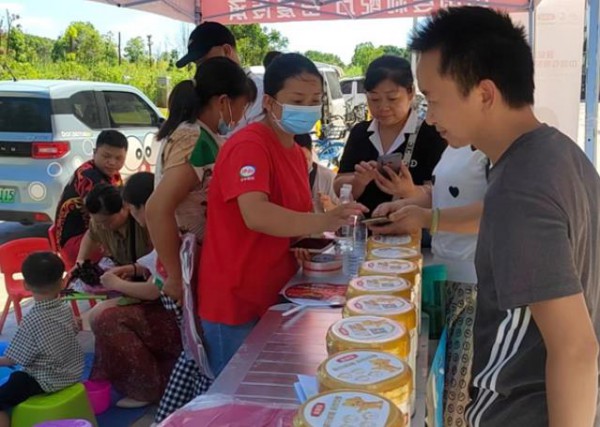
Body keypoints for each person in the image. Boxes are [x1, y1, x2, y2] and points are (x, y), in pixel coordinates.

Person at [410, 6, 600, 427]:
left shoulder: (520, 186)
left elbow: (576, 348)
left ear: (484, 94)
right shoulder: (561, 152)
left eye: (434, 100)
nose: (430, 117)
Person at [198, 53, 366, 377]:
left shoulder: (292, 151)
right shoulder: (250, 145)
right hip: (236, 299)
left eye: (315, 100)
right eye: (297, 99)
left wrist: (305, 241)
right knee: (238, 394)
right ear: (271, 101)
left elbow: (290, 216)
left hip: (274, 291)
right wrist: (325, 221)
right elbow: (256, 214)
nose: (307, 108)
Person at [146, 59, 255, 423]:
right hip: (191, 264)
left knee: (200, 354)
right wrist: (176, 275)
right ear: (224, 101)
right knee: (209, 359)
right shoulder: (196, 139)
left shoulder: (201, 135)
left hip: (199, 261)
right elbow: (158, 207)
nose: (240, 116)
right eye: (240, 106)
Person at [371, 146, 487, 426]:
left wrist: (428, 219)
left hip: (475, 285)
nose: (432, 119)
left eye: (436, 104)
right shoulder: (453, 147)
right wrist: (407, 204)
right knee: (440, 385)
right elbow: (446, 194)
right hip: (445, 276)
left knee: (461, 391)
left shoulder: (492, 151)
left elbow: (498, 211)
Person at [89, 172, 181, 409]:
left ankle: (147, 388)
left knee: (106, 319)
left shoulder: (166, 229)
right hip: (171, 304)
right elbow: (155, 267)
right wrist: (132, 269)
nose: (131, 213)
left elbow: (156, 289)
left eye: (133, 208)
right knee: (101, 314)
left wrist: (117, 284)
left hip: (179, 317)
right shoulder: (169, 224)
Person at [334, 55, 446, 215]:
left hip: (414, 235)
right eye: (374, 99)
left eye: (392, 98)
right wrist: (358, 181)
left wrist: (410, 190)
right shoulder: (360, 132)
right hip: (366, 232)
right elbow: (338, 186)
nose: (383, 107)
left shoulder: (431, 133)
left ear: (411, 93)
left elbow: (444, 195)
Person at [0, 252, 84, 427]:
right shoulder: (65, 308)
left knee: (11, 386)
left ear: (26, 284)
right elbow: (74, 330)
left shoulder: (32, 320)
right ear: (62, 283)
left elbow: (12, 359)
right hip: (72, 372)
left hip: (46, 380)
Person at [55, 130, 127, 266]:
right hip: (76, 242)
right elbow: (107, 213)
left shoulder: (112, 175)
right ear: (94, 152)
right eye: (106, 156)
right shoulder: (88, 176)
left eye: (119, 158)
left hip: (94, 234)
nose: (112, 162)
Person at [176, 21, 264, 131]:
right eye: (197, 65)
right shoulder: (205, 92)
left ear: (226, 51)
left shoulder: (259, 90)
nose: (202, 70)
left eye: (204, 61)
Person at [76, 183, 152, 269]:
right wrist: (80, 260)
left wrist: (127, 271)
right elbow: (91, 234)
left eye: (107, 222)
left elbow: (155, 262)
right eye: (98, 222)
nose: (103, 227)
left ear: (124, 207)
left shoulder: (141, 221)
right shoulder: (99, 223)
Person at [294, 133, 338, 213]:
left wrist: (330, 207)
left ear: (312, 153)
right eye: (295, 160)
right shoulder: (278, 176)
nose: (302, 165)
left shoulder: (328, 177)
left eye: (306, 159)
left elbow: (345, 215)